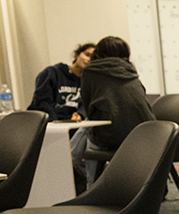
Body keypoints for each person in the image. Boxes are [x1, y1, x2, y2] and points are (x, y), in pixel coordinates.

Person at [70, 36, 155, 187]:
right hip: (148, 134)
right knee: (89, 127)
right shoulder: (130, 69)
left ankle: (90, 185)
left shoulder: (90, 71)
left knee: (89, 128)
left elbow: (90, 109)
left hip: (113, 137)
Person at [28, 42, 94, 121]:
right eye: (87, 55)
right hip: (47, 123)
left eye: (93, 58)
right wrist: (55, 123)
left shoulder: (87, 82)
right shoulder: (52, 73)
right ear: (77, 54)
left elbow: (86, 105)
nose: (89, 60)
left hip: (72, 124)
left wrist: (80, 114)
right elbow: (42, 102)